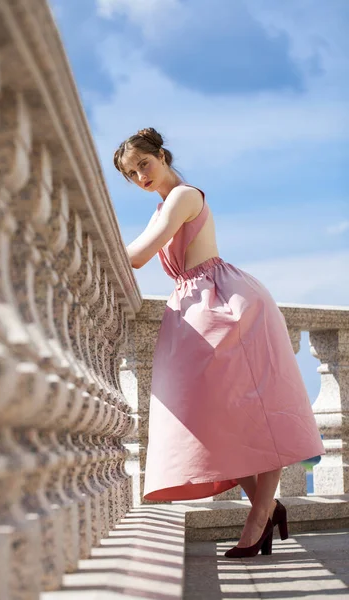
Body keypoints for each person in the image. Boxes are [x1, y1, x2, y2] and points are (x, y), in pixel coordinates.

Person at [113, 127, 325, 558]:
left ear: (163, 157)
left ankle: (259, 516)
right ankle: (267, 507)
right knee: (214, 415)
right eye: (131, 174)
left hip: (225, 304)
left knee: (256, 411)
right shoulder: (162, 205)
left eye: (144, 165)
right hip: (197, 304)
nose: (140, 177)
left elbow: (136, 256)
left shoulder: (183, 196)